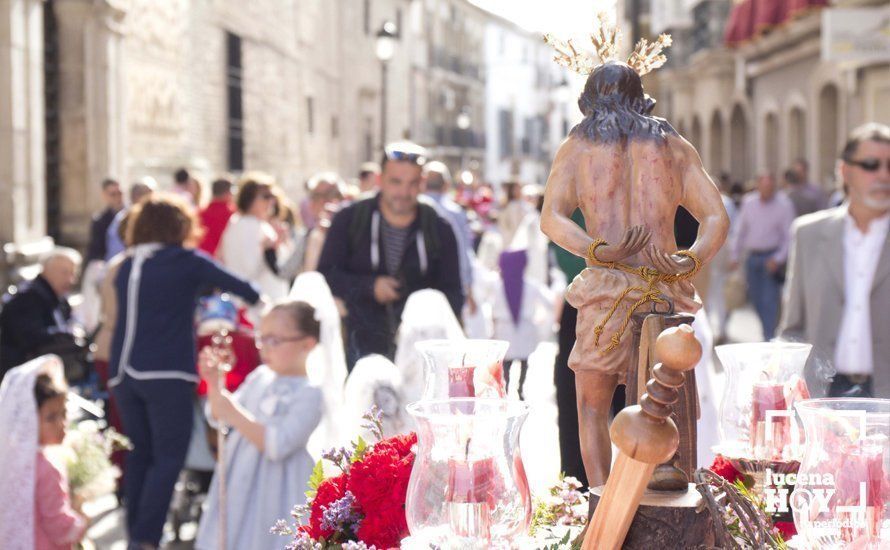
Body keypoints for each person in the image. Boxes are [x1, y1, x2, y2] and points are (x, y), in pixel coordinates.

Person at [107, 194, 260, 549]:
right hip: (166, 372)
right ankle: (146, 539)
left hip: (123, 373)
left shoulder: (128, 263)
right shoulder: (184, 260)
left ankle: (137, 535)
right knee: (168, 457)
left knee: (140, 455)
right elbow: (244, 288)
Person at [318, 141, 464, 369]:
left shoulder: (439, 227)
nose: (404, 192)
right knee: (369, 407)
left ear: (423, 183)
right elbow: (326, 277)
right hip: (359, 353)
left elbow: (454, 292)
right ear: (380, 180)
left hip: (418, 359)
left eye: (413, 183)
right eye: (396, 182)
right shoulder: (349, 219)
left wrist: (420, 308)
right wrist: (369, 287)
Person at [194, 301, 322, 550]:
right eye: (262, 339)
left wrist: (232, 412)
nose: (265, 349)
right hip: (239, 475)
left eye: (275, 340)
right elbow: (217, 415)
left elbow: (279, 444)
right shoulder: (259, 377)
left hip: (279, 488)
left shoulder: (312, 393)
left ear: (307, 344)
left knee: (267, 536)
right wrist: (214, 382)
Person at [780, 123, 890, 398]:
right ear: (845, 171)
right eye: (871, 165)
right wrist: (784, 378)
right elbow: (792, 327)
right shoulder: (809, 234)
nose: (884, 175)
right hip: (823, 396)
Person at [0, 355, 89, 550]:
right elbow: (57, 524)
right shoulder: (48, 466)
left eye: (64, 413)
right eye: (51, 417)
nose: (62, 424)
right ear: (28, 419)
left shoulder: (11, 458)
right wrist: (81, 522)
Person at [730, 173, 796, 340]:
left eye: (769, 187)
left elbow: (789, 236)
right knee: (755, 299)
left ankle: (769, 337)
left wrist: (778, 258)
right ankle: (767, 332)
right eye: (763, 186)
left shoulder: (784, 205)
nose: (766, 190)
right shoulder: (749, 203)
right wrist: (734, 255)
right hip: (752, 258)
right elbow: (740, 231)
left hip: (771, 259)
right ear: (758, 186)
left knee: (769, 301)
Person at [0, 248, 82, 380]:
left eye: (73, 274)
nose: (70, 280)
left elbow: (72, 322)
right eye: (65, 272)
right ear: (46, 271)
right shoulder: (27, 297)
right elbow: (29, 337)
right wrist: (65, 333)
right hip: (23, 375)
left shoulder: (59, 296)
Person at [487, 249, 553, 400]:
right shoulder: (532, 286)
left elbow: (488, 306)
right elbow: (549, 303)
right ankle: (520, 389)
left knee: (507, 363)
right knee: (524, 362)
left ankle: (507, 388)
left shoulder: (497, 286)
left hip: (505, 329)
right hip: (525, 328)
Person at [218, 173, 289, 310]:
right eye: (265, 197)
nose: (271, 201)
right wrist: (269, 251)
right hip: (255, 307)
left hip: (266, 303)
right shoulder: (246, 225)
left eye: (273, 196)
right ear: (249, 199)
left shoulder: (258, 224)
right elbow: (248, 271)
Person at [423, 161, 476, 312]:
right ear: (446, 185)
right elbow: (464, 253)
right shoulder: (456, 213)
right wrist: (468, 289)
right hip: (449, 291)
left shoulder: (412, 209)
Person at [81, 178, 124, 333]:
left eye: (119, 193)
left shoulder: (130, 215)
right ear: (105, 196)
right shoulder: (100, 220)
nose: (117, 197)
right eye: (113, 194)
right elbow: (96, 248)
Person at [106, 178, 157, 261]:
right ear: (136, 196)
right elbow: (117, 253)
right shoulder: (122, 219)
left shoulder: (154, 218)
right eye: (150, 194)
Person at [198, 177, 236, 256]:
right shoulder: (233, 215)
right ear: (228, 192)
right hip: (224, 260)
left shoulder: (199, 213)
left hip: (202, 259)